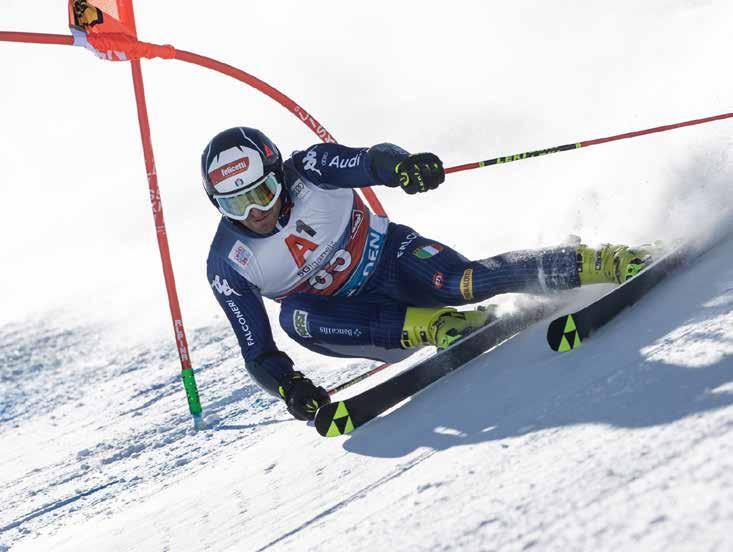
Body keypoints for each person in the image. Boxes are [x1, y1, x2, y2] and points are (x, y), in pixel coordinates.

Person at [203, 127, 653, 421]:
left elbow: (369, 160)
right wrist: (290, 387)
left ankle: (604, 260)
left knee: (462, 282)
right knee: (294, 316)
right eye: (236, 205)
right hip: (359, 324)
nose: (256, 212)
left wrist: (403, 167)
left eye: (263, 192)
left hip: (393, 260)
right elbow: (256, 350)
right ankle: (439, 327)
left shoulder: (311, 170)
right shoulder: (229, 263)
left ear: (279, 175)